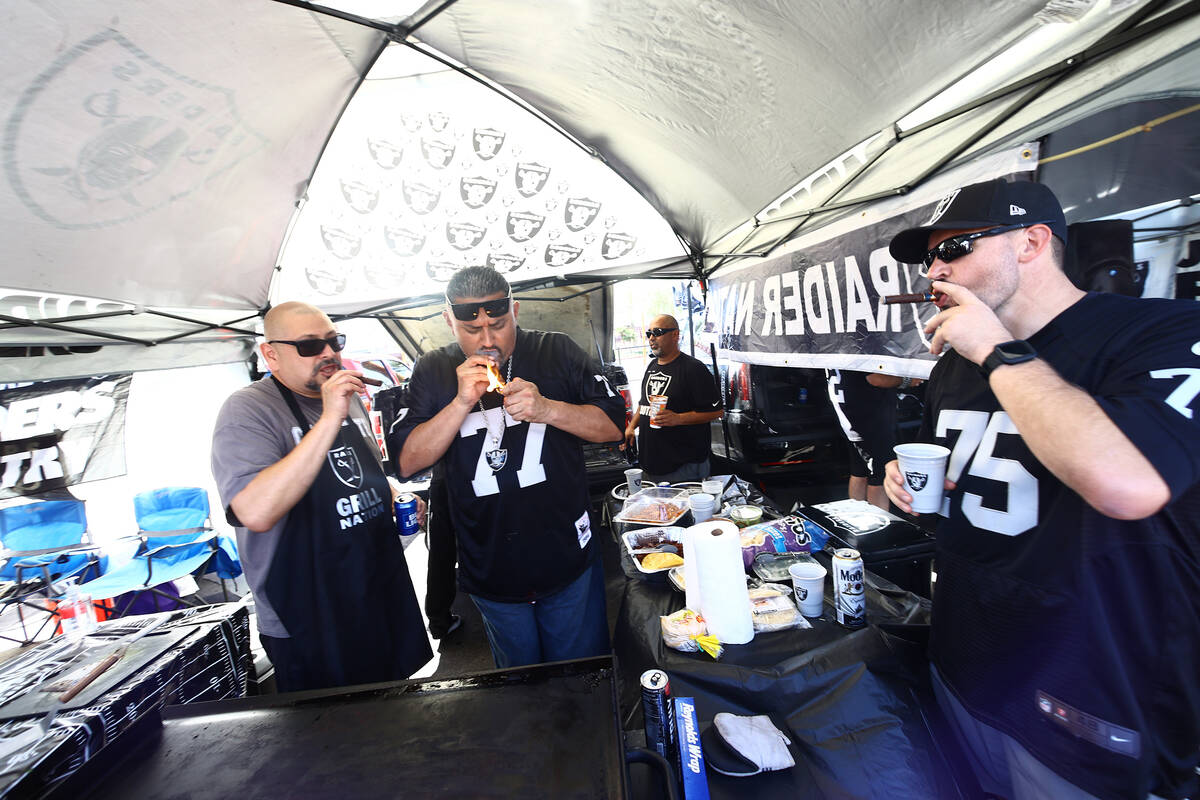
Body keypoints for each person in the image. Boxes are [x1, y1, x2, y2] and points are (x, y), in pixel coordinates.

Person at [882, 178, 1199, 800]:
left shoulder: (1160, 332)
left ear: (1031, 241)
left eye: (957, 248)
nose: (937, 271)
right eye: (930, 258)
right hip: (967, 661)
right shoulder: (957, 363)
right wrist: (911, 486)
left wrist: (998, 352)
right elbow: (961, 493)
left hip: (1092, 694)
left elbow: (1127, 482)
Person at [394, 266, 626, 669]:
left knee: (582, 678)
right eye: (471, 330)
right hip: (490, 560)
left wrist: (548, 408)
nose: (487, 340)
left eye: (499, 325)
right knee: (522, 689)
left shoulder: (557, 349)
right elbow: (406, 461)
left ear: (515, 310)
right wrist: (459, 403)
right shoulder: (433, 370)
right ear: (449, 321)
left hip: (565, 551)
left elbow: (613, 428)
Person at [211, 301, 432, 692]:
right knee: (334, 738)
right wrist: (329, 418)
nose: (329, 353)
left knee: (397, 717)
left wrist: (398, 496)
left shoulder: (352, 401)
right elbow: (255, 511)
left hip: (377, 591)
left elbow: (365, 474)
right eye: (311, 346)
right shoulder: (249, 411)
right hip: (311, 614)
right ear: (271, 354)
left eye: (334, 342)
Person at [623, 315, 723, 483]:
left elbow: (716, 411)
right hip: (652, 465)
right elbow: (644, 404)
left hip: (683, 467)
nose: (652, 338)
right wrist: (632, 426)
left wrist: (678, 418)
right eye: (649, 334)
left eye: (658, 332)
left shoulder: (693, 369)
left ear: (675, 335)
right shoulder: (652, 366)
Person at [825, 369, 921, 510]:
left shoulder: (838, 347)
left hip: (848, 412)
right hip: (866, 417)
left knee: (859, 471)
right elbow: (875, 378)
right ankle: (878, 527)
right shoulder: (861, 347)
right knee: (880, 474)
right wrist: (906, 380)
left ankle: (855, 517)